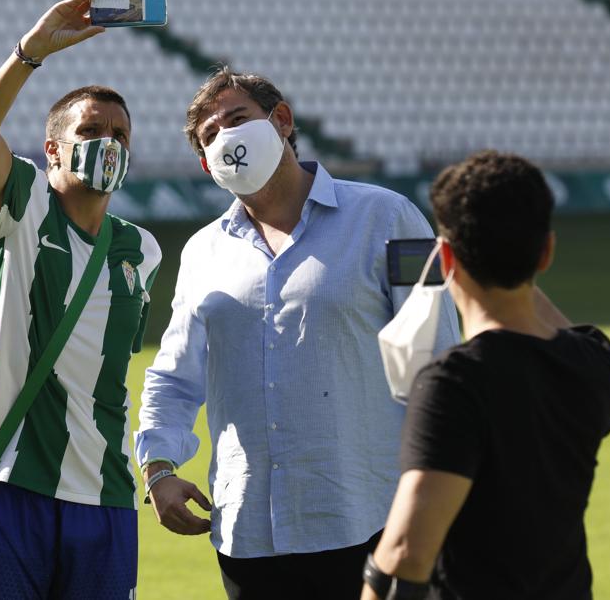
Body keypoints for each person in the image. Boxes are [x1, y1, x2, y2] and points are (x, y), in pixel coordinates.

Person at [136, 68, 461, 599]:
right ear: (204, 163)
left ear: (281, 119)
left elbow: (437, 362)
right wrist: (158, 468)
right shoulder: (201, 252)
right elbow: (174, 375)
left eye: (237, 119)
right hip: (248, 537)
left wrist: (439, 494)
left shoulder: (392, 216)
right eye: (210, 136)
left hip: (371, 521)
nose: (226, 138)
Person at [0, 0, 162, 599]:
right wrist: (31, 51)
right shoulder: (22, 206)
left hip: (106, 496)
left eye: (120, 134)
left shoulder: (142, 250)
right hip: (12, 484)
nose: (109, 142)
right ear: (53, 149)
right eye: (92, 130)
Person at [362, 151, 610, 600]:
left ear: (445, 258)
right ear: (547, 251)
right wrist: (513, 255)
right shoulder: (594, 360)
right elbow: (550, 329)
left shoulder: (454, 382)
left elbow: (405, 552)